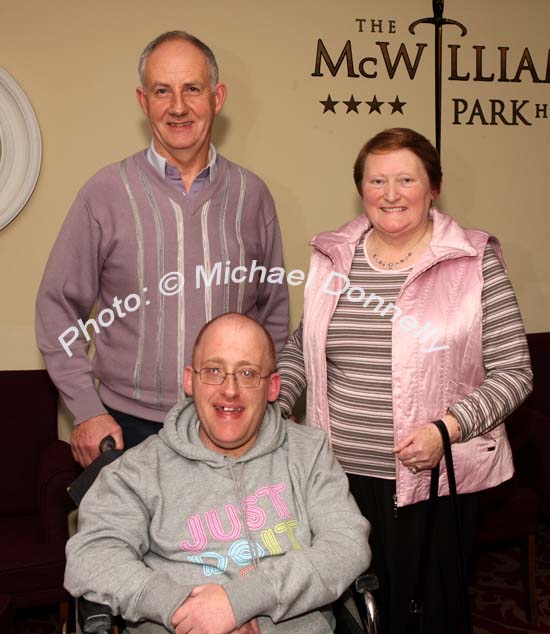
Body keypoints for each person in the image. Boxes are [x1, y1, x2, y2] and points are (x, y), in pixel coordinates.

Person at [277, 128, 533, 634]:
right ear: (362, 189)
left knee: (426, 618)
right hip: (336, 481)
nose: (390, 194)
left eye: (406, 179)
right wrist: (277, 404)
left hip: (431, 484)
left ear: (433, 187)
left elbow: (515, 372)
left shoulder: (474, 261)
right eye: (377, 180)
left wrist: (448, 428)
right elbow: (301, 350)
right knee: (348, 615)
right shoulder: (334, 257)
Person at [35, 31, 288, 467]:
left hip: (233, 427)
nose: (177, 106)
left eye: (192, 89)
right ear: (143, 101)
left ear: (217, 96)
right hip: (127, 431)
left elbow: (274, 314)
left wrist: (265, 404)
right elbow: (57, 308)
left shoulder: (253, 196)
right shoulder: (104, 193)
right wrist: (87, 409)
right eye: (161, 91)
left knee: (236, 539)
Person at [64, 313, 371, 634]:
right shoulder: (139, 469)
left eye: (248, 373)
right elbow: (92, 558)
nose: (230, 390)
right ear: (189, 380)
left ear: (272, 387)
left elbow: (346, 544)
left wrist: (239, 601)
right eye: (213, 371)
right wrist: (188, 610)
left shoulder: (309, 452)